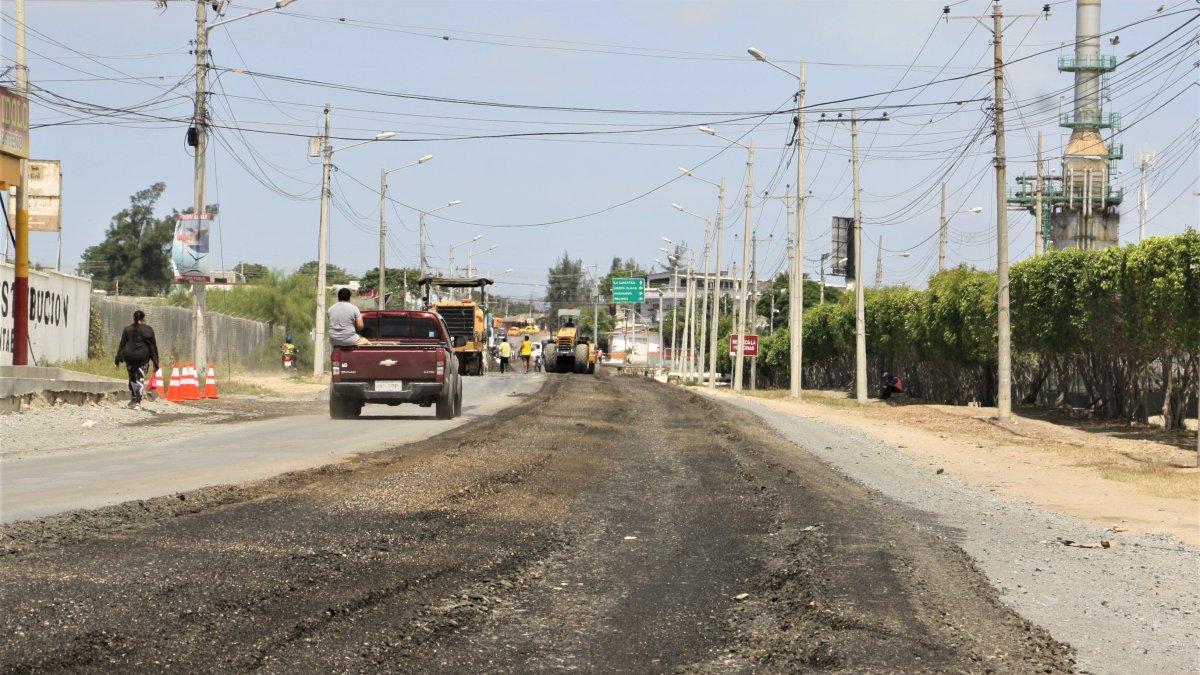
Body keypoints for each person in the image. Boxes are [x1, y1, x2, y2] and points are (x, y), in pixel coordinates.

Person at [115, 309, 159, 410]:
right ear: (143, 318)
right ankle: (137, 402)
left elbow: (122, 345)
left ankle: (133, 400)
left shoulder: (127, 329)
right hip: (142, 358)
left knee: (132, 378)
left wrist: (117, 359)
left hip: (129, 357)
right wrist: (156, 362)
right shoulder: (148, 330)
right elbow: (153, 347)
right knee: (140, 379)